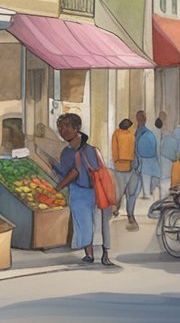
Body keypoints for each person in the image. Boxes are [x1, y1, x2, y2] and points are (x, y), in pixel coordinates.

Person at [52, 113, 114, 267]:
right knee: (85, 222)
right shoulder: (68, 151)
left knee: (91, 222)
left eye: (66, 126)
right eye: (60, 127)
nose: (62, 130)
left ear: (76, 128)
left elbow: (75, 172)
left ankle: (99, 253)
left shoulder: (86, 150)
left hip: (88, 191)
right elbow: (67, 171)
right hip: (82, 191)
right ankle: (91, 253)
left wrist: (59, 187)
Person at [110, 119, 140, 229]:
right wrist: (116, 161)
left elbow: (133, 149)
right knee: (120, 192)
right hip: (121, 166)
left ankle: (130, 215)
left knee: (130, 193)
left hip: (130, 166)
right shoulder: (117, 134)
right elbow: (114, 150)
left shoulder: (129, 134)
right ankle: (116, 210)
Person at [134, 110, 160, 200]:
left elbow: (137, 148)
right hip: (149, 160)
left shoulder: (141, 133)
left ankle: (146, 193)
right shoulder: (148, 133)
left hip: (143, 160)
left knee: (145, 178)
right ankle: (147, 193)